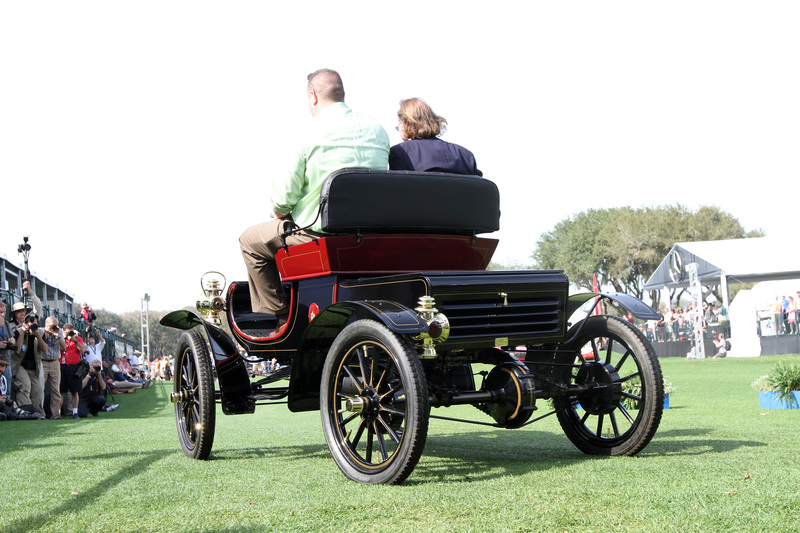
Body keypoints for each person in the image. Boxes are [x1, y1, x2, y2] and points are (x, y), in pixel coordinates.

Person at [239, 68, 389, 336]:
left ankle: (281, 318)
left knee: (250, 241)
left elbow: (283, 200)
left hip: (315, 235)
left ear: (313, 96)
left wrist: (280, 212)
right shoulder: (377, 129)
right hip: (368, 234)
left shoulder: (308, 133)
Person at [389, 98, 481, 176]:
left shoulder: (400, 152)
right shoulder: (465, 156)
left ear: (405, 124)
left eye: (398, 127)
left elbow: (397, 191)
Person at [11, 301, 47, 413]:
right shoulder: (18, 331)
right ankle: (24, 411)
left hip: (33, 366)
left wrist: (36, 335)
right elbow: (17, 350)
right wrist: (22, 332)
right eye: (29, 322)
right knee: (25, 386)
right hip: (20, 365)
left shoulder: (41, 332)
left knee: (38, 390)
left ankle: (34, 412)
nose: (32, 323)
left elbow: (44, 349)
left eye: (34, 321)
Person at [60, 323, 86, 419]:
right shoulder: (60, 338)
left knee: (75, 391)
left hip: (74, 366)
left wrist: (75, 341)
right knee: (61, 391)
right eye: (68, 332)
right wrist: (62, 337)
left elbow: (83, 349)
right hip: (62, 365)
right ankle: (58, 412)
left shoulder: (77, 339)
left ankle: (75, 412)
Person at [41, 316, 66, 419]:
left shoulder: (58, 332)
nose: (55, 327)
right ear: (47, 325)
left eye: (56, 325)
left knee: (56, 389)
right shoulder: (41, 331)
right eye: (52, 325)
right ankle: (41, 413)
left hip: (55, 361)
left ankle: (55, 414)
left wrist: (58, 336)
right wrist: (46, 332)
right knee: (40, 387)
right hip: (43, 361)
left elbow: (64, 347)